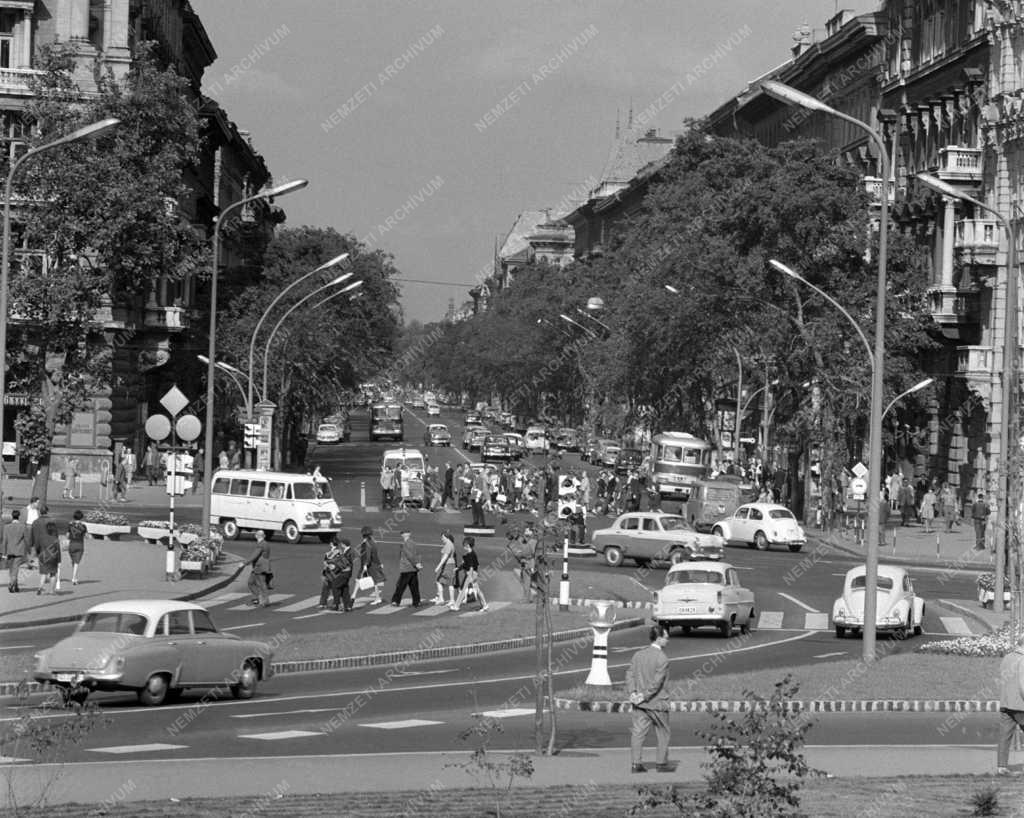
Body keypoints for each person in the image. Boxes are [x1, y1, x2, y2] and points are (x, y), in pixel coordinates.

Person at [626, 624, 672, 773]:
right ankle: (661, 763)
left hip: (639, 705)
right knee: (663, 732)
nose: (668, 639)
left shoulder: (638, 655)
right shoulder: (662, 658)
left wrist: (633, 692)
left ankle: (636, 763)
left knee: (638, 733)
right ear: (658, 639)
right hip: (657, 703)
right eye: (666, 637)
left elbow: (630, 674)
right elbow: (656, 684)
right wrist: (644, 696)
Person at [997, 633, 1024, 775]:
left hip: (1005, 703)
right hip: (1020, 705)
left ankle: (1001, 767)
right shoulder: (1023, 660)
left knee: (1004, 737)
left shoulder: (1007, 658)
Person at [450, 536, 488, 612]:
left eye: (464, 544)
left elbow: (471, 567)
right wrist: (458, 569)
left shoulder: (470, 555)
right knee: (477, 590)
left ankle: (456, 606)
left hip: (471, 574)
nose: (463, 546)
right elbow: (466, 564)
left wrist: (470, 576)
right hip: (473, 573)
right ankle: (485, 605)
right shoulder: (470, 554)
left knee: (463, 589)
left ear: (467, 545)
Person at [30, 507, 61, 596]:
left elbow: (33, 536)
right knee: (53, 573)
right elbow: (57, 549)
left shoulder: (35, 522)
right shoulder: (52, 523)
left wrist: (35, 549)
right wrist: (59, 560)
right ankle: (52, 590)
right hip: (53, 555)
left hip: (42, 553)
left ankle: (40, 587)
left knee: (43, 572)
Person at [320, 536, 354, 612]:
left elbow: (333, 564)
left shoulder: (330, 554)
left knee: (335, 586)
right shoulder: (342, 552)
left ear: (331, 544)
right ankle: (348, 606)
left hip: (339, 573)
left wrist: (330, 567)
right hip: (345, 573)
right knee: (344, 588)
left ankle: (336, 604)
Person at [391, 529, 422, 607]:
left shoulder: (405, 544)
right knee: (414, 587)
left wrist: (416, 564)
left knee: (400, 586)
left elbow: (409, 555)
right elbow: (418, 554)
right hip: (413, 569)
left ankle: (395, 601)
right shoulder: (414, 543)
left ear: (402, 535)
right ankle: (417, 602)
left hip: (406, 568)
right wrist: (418, 563)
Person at [359, 526, 386, 604]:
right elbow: (376, 555)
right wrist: (379, 563)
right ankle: (378, 598)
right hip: (374, 563)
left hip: (371, 565)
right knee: (375, 582)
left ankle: (377, 598)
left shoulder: (366, 544)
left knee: (374, 582)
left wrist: (365, 565)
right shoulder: (373, 542)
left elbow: (367, 555)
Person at [3, 509, 28, 592]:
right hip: (19, 550)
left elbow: (5, 541)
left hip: (9, 550)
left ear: (12, 516)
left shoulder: (6, 527)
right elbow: (26, 539)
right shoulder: (23, 526)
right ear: (19, 516)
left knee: (11, 569)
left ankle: (15, 586)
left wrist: (4, 553)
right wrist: (28, 549)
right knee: (16, 568)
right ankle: (12, 583)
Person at [247, 530, 272, 607]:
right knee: (251, 582)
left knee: (261, 583)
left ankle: (264, 601)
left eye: (256, 535)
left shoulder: (261, 545)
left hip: (260, 567)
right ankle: (257, 598)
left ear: (256, 536)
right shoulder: (265, 543)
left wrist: (244, 563)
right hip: (259, 567)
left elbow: (255, 555)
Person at [433, 530, 457, 606]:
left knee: (449, 583)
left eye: (442, 537)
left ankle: (451, 600)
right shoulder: (450, 544)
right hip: (448, 565)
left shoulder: (448, 545)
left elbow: (445, 557)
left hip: (448, 566)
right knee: (440, 581)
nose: (441, 539)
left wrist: (438, 566)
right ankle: (441, 599)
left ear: (447, 537)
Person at [66, 509, 87, 586]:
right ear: (81, 517)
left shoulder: (70, 525)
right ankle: (74, 578)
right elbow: (86, 536)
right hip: (79, 544)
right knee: (76, 563)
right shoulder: (83, 526)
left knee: (73, 562)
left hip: (71, 544)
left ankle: (75, 576)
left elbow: (67, 535)